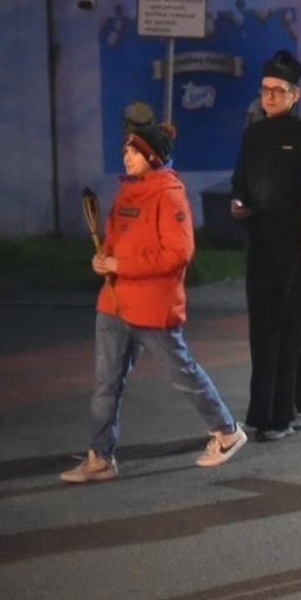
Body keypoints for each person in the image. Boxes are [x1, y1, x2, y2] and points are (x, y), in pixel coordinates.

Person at [61, 124, 248, 482]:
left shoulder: (170, 194)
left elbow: (178, 254)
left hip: (151, 307)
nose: (126, 157)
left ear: (151, 157)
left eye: (133, 152)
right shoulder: (127, 192)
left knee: (183, 374)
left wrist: (119, 265)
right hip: (113, 303)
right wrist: (104, 260)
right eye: (125, 151)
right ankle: (100, 457)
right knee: (106, 382)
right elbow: (115, 241)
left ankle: (227, 432)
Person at [230, 49, 301, 441]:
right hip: (261, 244)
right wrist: (239, 204)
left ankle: (284, 413)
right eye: (265, 90)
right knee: (262, 330)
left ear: (295, 94)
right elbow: (239, 182)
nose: (270, 97)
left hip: (299, 246)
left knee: (292, 330)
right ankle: (260, 413)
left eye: (278, 90)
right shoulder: (253, 135)